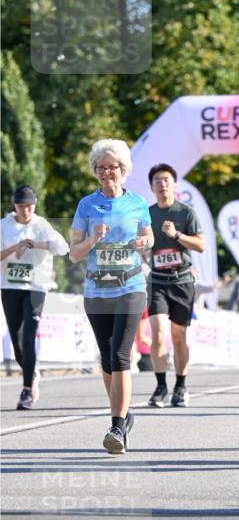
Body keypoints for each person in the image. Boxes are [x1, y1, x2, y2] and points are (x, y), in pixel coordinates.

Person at [69, 139, 153, 454]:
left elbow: (149, 235)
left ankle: (116, 426)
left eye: (112, 167)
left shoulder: (138, 203)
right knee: (106, 359)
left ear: (123, 169)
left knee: (120, 355)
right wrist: (92, 238)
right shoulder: (86, 205)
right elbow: (74, 255)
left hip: (130, 286)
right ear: (95, 172)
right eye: (101, 168)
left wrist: (143, 243)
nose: (107, 172)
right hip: (97, 290)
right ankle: (123, 414)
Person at [1, 184, 69, 409]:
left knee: (29, 335)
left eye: (30, 206)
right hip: (10, 286)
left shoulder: (42, 225)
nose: (26, 211)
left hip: (36, 286)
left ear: (35, 205)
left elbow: (62, 247)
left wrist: (33, 244)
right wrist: (15, 247)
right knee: (17, 340)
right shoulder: (4, 225)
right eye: (21, 206)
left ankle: (27, 389)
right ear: (15, 205)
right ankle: (33, 372)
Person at [145, 163, 205, 408]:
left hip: (181, 281)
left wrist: (177, 235)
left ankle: (181, 386)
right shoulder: (147, 214)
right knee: (158, 334)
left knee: (178, 336)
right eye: (157, 180)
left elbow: (201, 245)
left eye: (166, 179)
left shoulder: (186, 212)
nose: (162, 184)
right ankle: (160, 387)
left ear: (174, 184)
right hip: (157, 281)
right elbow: (140, 242)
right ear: (152, 186)